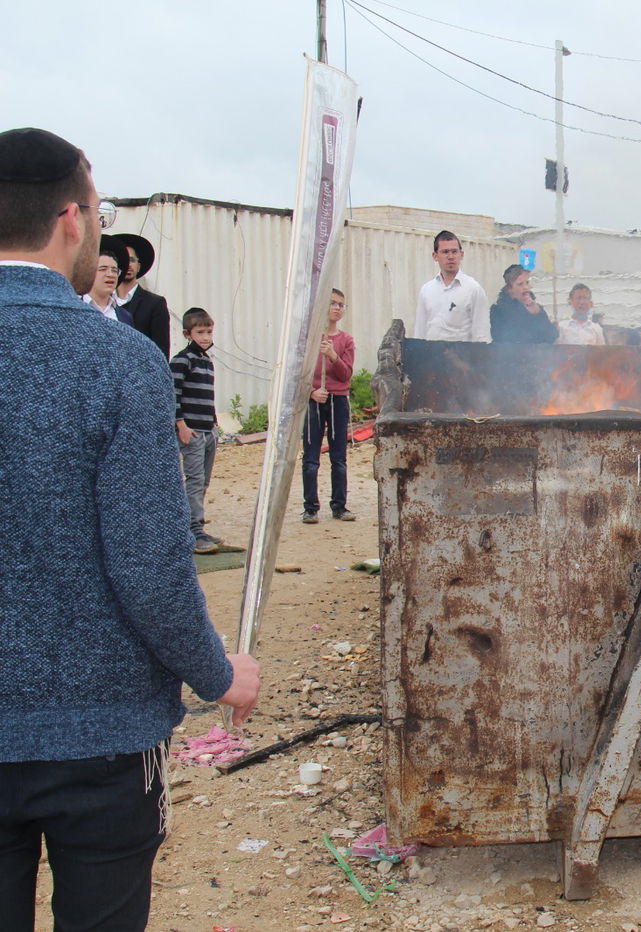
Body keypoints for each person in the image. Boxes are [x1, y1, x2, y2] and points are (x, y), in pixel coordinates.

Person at [0, 126, 261, 932]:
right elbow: (148, 562)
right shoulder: (117, 362)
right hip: (103, 734)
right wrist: (218, 672)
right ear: (74, 219)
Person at [302, 288, 356, 524]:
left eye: (341, 304)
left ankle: (339, 505)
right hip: (315, 400)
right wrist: (312, 392)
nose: (336, 307)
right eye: (332, 303)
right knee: (311, 456)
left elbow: (346, 376)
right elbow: (298, 374)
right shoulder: (309, 339)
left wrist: (333, 355)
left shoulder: (346, 341)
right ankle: (311, 507)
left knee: (338, 457)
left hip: (338, 400)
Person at [171, 307, 221, 554]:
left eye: (209, 331)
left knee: (204, 480)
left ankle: (198, 525)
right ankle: (192, 529)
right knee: (194, 479)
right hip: (192, 430)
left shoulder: (206, 360)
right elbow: (173, 394)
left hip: (207, 430)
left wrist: (214, 425)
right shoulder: (182, 360)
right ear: (187, 333)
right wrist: (181, 424)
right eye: (200, 332)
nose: (205, 337)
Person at [414, 230, 490, 341]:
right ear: (435, 256)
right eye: (445, 252)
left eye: (454, 252)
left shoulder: (473, 289)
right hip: (430, 356)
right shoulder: (426, 290)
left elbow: (482, 335)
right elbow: (419, 333)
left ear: (461, 254)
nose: (450, 256)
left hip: (460, 357)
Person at [114, 232, 171, 357]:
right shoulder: (105, 301)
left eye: (132, 260)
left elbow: (161, 351)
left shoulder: (155, 304)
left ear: (139, 266)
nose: (128, 264)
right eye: (123, 259)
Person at [491, 264, 558, 343]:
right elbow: (507, 338)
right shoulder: (498, 311)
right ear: (509, 289)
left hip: (537, 354)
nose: (526, 287)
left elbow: (551, 337)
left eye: (527, 282)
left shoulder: (537, 309)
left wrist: (538, 314)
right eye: (520, 284)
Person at [82, 242, 132, 324]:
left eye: (114, 270)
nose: (110, 274)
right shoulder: (74, 308)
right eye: (103, 269)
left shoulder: (125, 317)